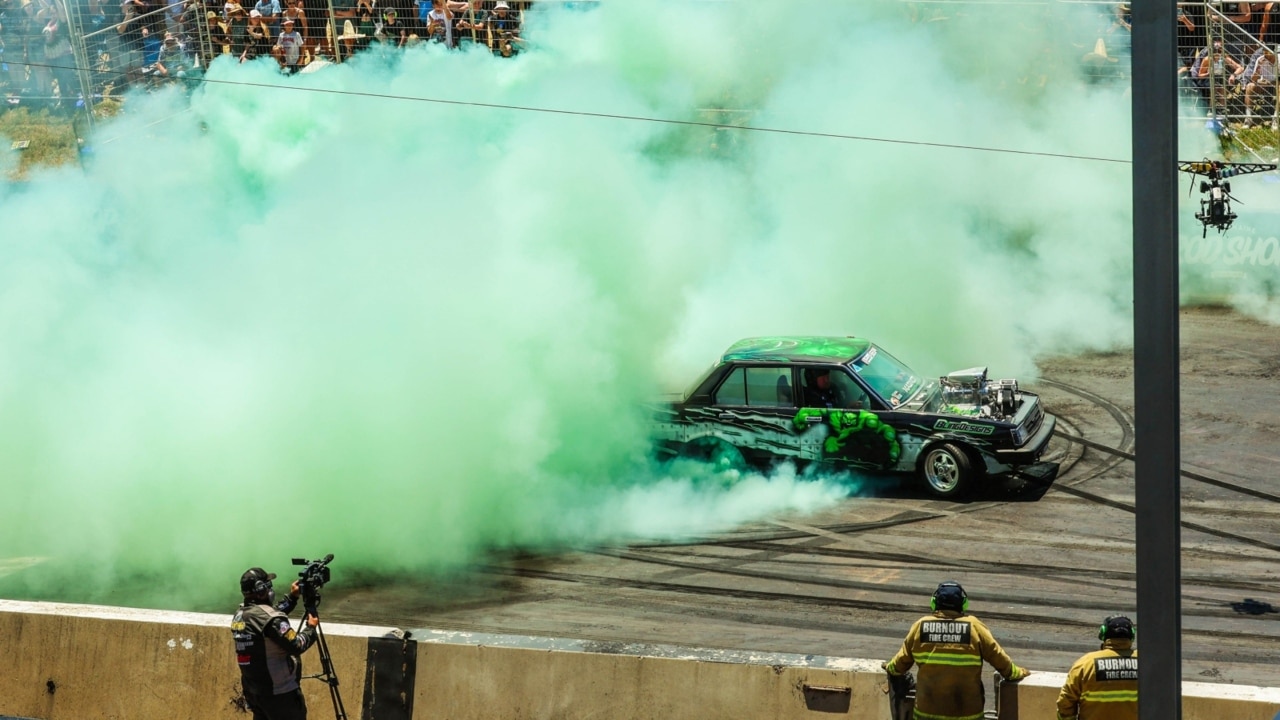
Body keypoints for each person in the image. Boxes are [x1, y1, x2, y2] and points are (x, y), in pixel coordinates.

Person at [883, 581, 1030, 720]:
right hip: (968, 715)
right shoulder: (974, 627)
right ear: (963, 604)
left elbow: (899, 665)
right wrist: (1017, 672)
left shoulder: (920, 626)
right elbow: (999, 659)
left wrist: (889, 666)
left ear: (934, 602)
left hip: (926, 715)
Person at [231, 567, 319, 720]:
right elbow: (297, 645)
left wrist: (292, 597)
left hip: (255, 693)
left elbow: (268, 617)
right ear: (260, 589)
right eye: (268, 585)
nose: (271, 589)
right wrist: (311, 628)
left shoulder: (240, 614)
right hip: (280, 694)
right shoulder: (270, 620)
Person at [1056, 615, 1137, 720]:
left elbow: (1065, 702)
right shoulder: (1146, 663)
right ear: (1132, 635)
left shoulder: (1085, 664)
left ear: (1103, 633)